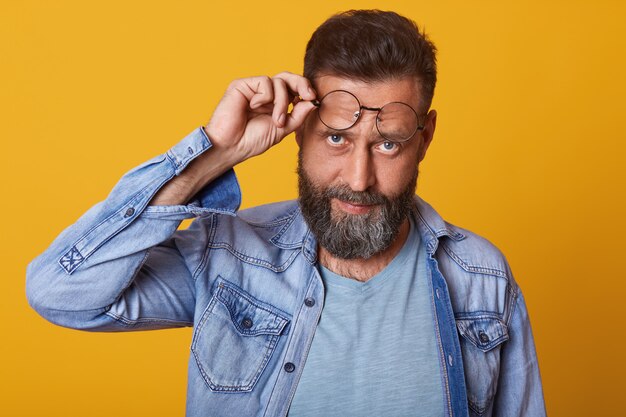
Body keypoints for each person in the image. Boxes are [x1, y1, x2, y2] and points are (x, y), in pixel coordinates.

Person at [26, 9, 546, 417]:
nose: (359, 178)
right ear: (298, 128)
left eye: (387, 145)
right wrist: (214, 155)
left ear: (424, 138)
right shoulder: (230, 255)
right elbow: (60, 293)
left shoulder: (481, 278)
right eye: (336, 138)